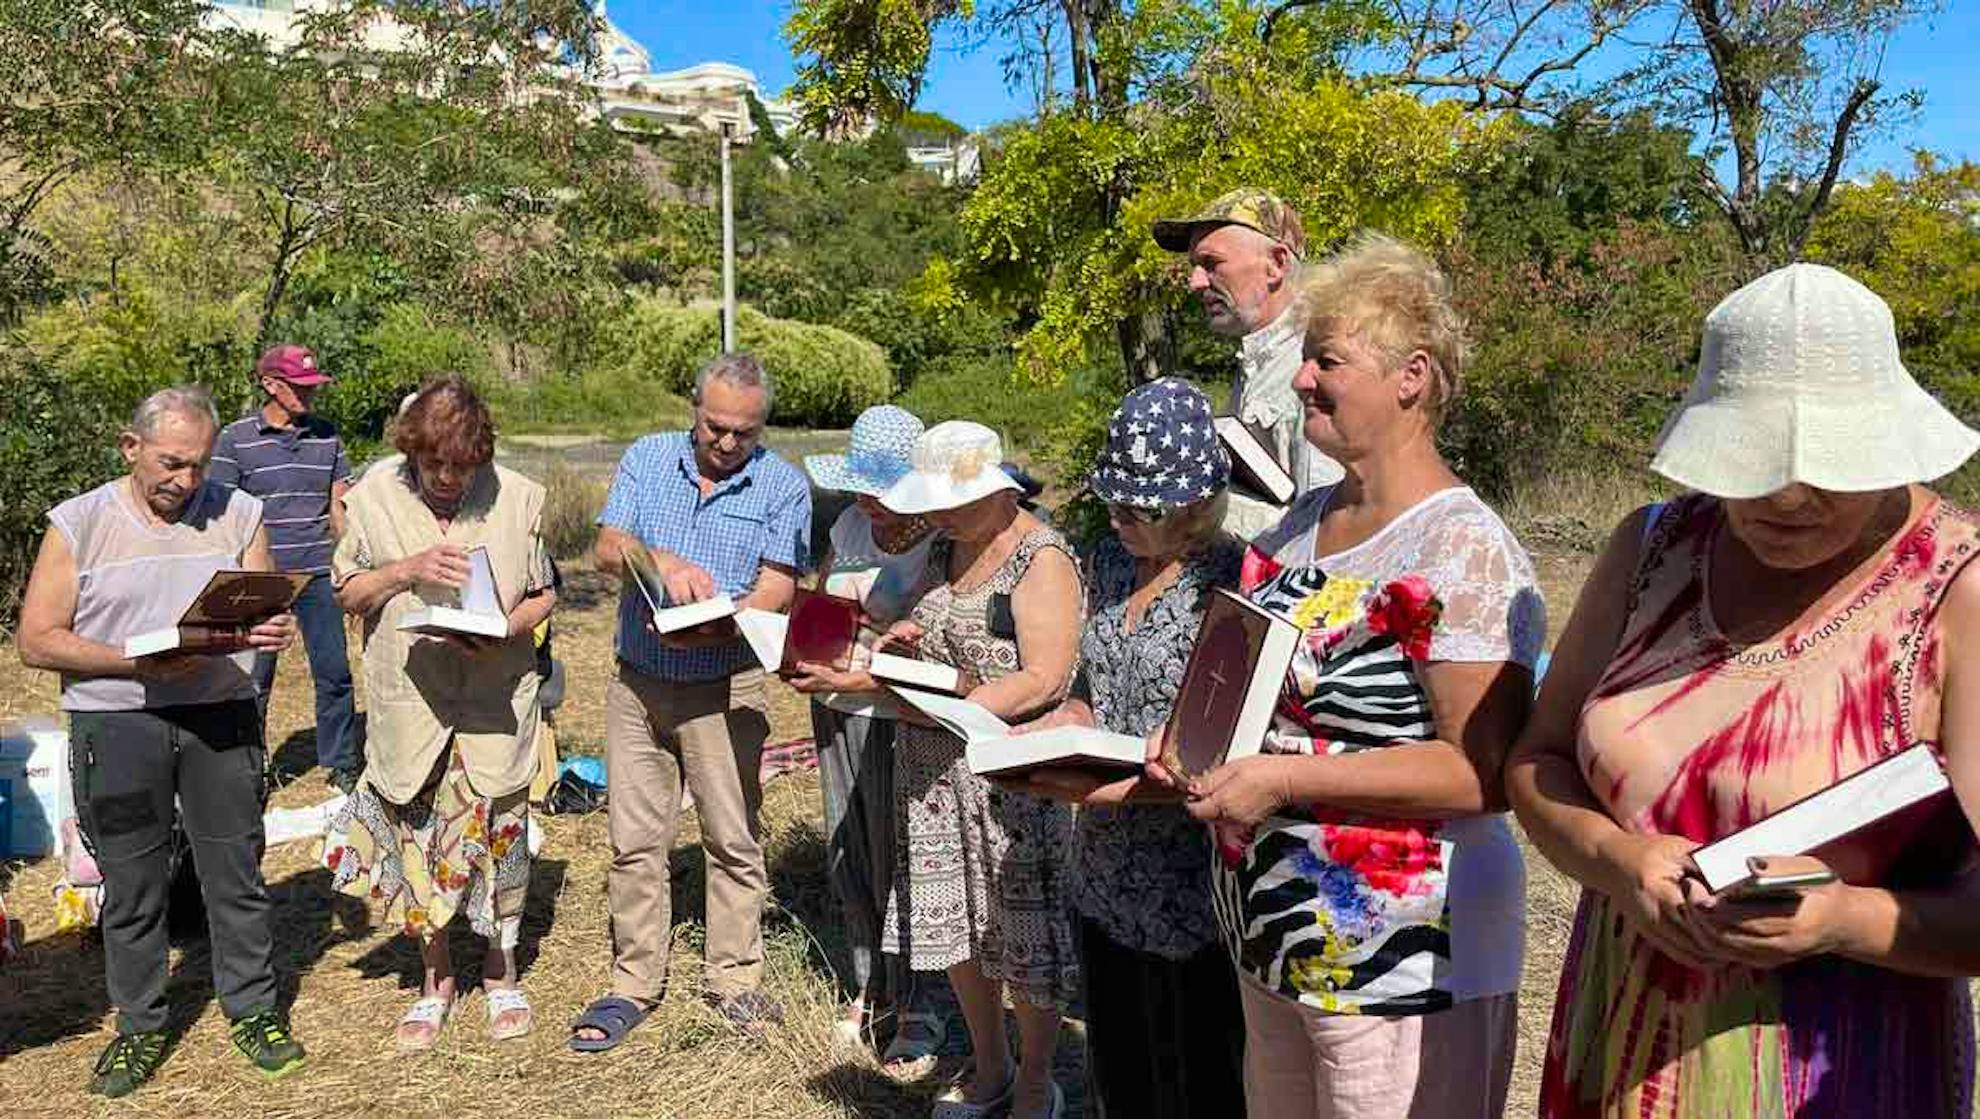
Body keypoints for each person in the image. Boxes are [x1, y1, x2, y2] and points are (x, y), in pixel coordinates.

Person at [1506, 263, 1980, 1118]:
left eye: (1825, 470)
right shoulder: (1651, 547)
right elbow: (1538, 760)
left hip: (1848, 1073)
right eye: (1750, 469)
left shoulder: (1958, 589)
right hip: (1616, 1045)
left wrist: (1843, 919)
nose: (1786, 496)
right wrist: (1620, 862)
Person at [1146, 233, 1543, 1118]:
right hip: (1274, 933)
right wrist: (1187, 740)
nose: (1300, 379)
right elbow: (1239, 683)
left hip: (1403, 954)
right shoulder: (1297, 523)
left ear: (1412, 376)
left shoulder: (1462, 547)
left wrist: (1286, 777)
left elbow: (1479, 772)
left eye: (1327, 360)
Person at [16, 386, 306, 1096]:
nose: (185, 481)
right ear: (130, 447)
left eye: (199, 465)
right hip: (117, 720)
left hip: (220, 716)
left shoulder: (239, 512)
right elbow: (36, 639)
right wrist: (134, 662)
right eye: (171, 463)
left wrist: (270, 627)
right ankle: (141, 1024)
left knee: (234, 871)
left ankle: (254, 1010)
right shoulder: (79, 522)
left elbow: (261, 602)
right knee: (133, 882)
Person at [1007, 379, 1248, 1118]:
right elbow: (1090, 685)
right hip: (1103, 879)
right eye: (1111, 496)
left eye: (1137, 505)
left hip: (1189, 892)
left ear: (1191, 507)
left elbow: (1227, 744)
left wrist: (1123, 784)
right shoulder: (1110, 561)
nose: (1116, 515)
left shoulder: (1233, 582)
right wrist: (1053, 730)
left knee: (1199, 1083)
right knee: (1120, 1076)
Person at [573, 352, 812, 1050]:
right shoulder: (648, 458)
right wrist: (665, 562)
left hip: (725, 681)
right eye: (716, 427)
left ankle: (734, 981)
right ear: (694, 411)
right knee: (634, 839)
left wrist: (719, 614)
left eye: (745, 431)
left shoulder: (782, 486)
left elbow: (777, 588)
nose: (728, 442)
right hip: (638, 680)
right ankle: (633, 982)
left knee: (732, 836)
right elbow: (608, 548)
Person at [321, 374, 557, 1049]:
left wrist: (506, 628)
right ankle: (437, 979)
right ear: (412, 451)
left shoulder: (519, 497)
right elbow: (349, 591)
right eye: (435, 465)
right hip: (412, 706)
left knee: (500, 840)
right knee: (417, 841)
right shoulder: (371, 498)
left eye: (464, 465)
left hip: (493, 700)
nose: (450, 478)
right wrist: (408, 568)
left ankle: (501, 968)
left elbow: (544, 593)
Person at [867, 420, 1084, 1119]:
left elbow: (1047, 676)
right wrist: (903, 642)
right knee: (958, 925)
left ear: (997, 491)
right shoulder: (945, 546)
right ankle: (990, 1065)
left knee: (1021, 931)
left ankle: (1035, 1079)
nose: (939, 512)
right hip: (933, 774)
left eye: (950, 499)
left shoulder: (1040, 555)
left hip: (1008, 777)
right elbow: (933, 632)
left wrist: (960, 705)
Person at [786, 404, 950, 1071]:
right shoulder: (852, 522)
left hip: (895, 713)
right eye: (859, 486)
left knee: (899, 853)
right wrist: (800, 642)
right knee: (847, 845)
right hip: (835, 704)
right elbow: (825, 596)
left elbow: (938, 644)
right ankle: (868, 983)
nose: (866, 501)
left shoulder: (940, 541)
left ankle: (918, 1000)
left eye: (878, 489)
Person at [209, 343, 361, 792]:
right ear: (270, 385)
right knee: (254, 678)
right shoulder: (235, 440)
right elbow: (221, 516)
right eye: (299, 388)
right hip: (260, 579)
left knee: (334, 673)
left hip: (317, 572)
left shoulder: (327, 435)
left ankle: (342, 764)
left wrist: (353, 566)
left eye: (312, 387)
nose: (309, 396)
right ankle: (247, 769)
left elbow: (340, 506)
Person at [1154, 187, 1344, 538]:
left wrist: (1202, 513)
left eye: (1211, 264)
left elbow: (1324, 531)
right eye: (1194, 267)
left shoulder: (1320, 365)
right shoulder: (1258, 358)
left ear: (1277, 264)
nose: (1195, 283)